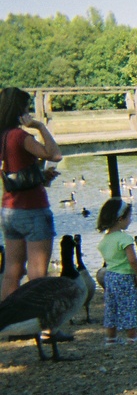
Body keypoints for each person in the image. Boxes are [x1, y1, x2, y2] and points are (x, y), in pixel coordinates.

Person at [0, 87, 63, 303]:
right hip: (33, 210)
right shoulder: (19, 136)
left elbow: (14, 171)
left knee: (12, 272)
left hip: (9, 210)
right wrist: (40, 126)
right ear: (20, 109)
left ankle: (7, 323)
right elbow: (55, 154)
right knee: (37, 274)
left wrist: (40, 176)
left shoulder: (2, 136)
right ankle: (44, 328)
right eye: (27, 107)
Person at [96, 198, 137, 345]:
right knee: (128, 305)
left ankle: (110, 338)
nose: (130, 220)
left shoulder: (105, 239)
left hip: (110, 276)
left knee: (111, 307)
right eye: (129, 218)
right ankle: (132, 337)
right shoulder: (124, 238)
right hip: (124, 277)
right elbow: (132, 259)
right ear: (121, 219)